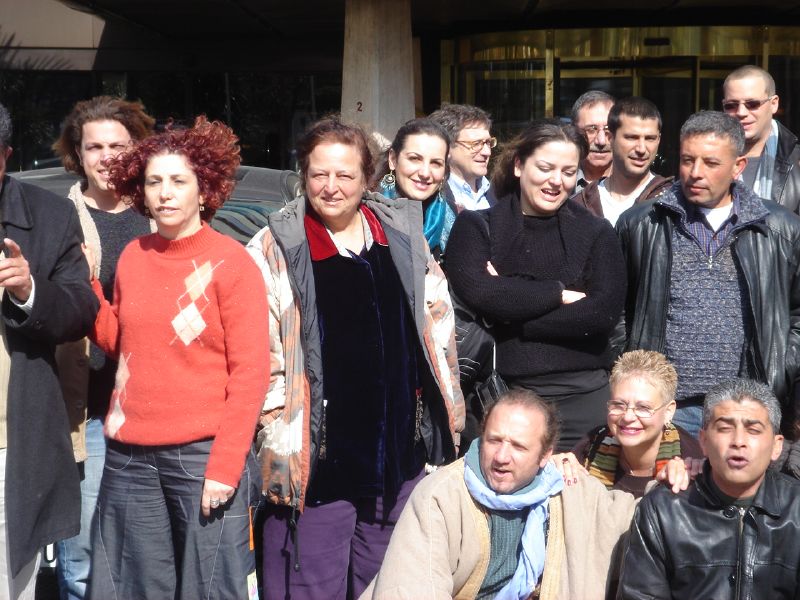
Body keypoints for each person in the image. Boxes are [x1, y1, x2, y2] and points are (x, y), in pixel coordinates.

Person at [246, 116, 464, 600]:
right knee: (309, 588)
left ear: (368, 177)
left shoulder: (398, 234)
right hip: (319, 462)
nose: (331, 186)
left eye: (345, 175)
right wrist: (277, 431)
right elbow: (261, 356)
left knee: (386, 586)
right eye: (319, 173)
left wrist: (438, 420)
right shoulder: (277, 247)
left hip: (396, 459)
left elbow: (438, 327)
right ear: (303, 174)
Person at [86, 116, 269, 599]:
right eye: (153, 181)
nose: (164, 193)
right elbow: (124, 345)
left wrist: (226, 467)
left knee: (209, 590)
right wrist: (84, 288)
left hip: (201, 456)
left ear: (205, 189)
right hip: (129, 457)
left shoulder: (232, 263)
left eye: (178, 181)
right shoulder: (132, 255)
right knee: (135, 589)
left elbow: (251, 373)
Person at [363, 388, 690, 600]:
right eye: (494, 440)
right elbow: (411, 588)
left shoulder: (567, 488)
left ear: (546, 455)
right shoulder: (442, 494)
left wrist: (666, 484)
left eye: (519, 446)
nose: (502, 457)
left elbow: (632, 522)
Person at [445, 119, 627, 452]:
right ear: (518, 165)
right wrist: (557, 293)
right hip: (508, 400)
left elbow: (601, 313)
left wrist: (511, 310)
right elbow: (480, 292)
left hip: (587, 401)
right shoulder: (477, 226)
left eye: (569, 171)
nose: (556, 181)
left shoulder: (597, 232)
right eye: (545, 168)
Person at [616, 111, 800, 437]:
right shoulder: (642, 224)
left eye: (711, 163)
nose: (696, 173)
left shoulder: (780, 229)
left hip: (746, 405)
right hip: (665, 406)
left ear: (738, 167)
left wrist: (782, 366)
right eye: (688, 160)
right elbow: (615, 310)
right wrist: (632, 375)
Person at [51, 95, 155, 600]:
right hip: (88, 409)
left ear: (136, 148)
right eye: (95, 146)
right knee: (86, 553)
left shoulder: (160, 211)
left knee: (147, 550)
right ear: (78, 152)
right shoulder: (56, 219)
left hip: (153, 409)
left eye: (118, 144)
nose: (107, 156)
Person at [0, 101, 98, 599]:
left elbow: (81, 310)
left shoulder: (49, 215)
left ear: (5, 157)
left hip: (10, 446)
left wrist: (27, 291)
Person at [617, 378, 800, 599]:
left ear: (776, 445)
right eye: (724, 428)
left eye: (753, 430)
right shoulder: (664, 510)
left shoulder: (796, 508)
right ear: (703, 440)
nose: (738, 441)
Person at [556, 350, 702, 498]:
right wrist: (555, 468)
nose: (628, 417)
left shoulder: (691, 464)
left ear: (669, 411)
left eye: (643, 407)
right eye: (619, 405)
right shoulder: (591, 446)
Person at [573, 97, 672, 226]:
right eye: (631, 138)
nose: (641, 149)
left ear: (659, 140)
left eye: (650, 138)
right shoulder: (580, 203)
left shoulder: (672, 202)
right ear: (611, 138)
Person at [722, 64, 800, 211]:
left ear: (774, 104)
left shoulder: (796, 162)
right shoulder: (707, 160)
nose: (741, 112)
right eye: (731, 105)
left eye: (752, 104)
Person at [373, 117, 452, 257]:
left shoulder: (452, 224)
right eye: (415, 159)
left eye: (436, 163)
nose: (425, 173)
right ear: (393, 160)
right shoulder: (367, 220)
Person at [429, 103, 497, 218]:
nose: (487, 152)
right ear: (447, 147)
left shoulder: (500, 194)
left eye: (488, 143)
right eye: (476, 144)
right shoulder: (431, 198)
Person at [570, 90, 615, 193]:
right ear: (574, 131)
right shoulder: (558, 183)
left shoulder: (634, 185)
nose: (601, 141)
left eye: (609, 130)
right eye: (591, 130)